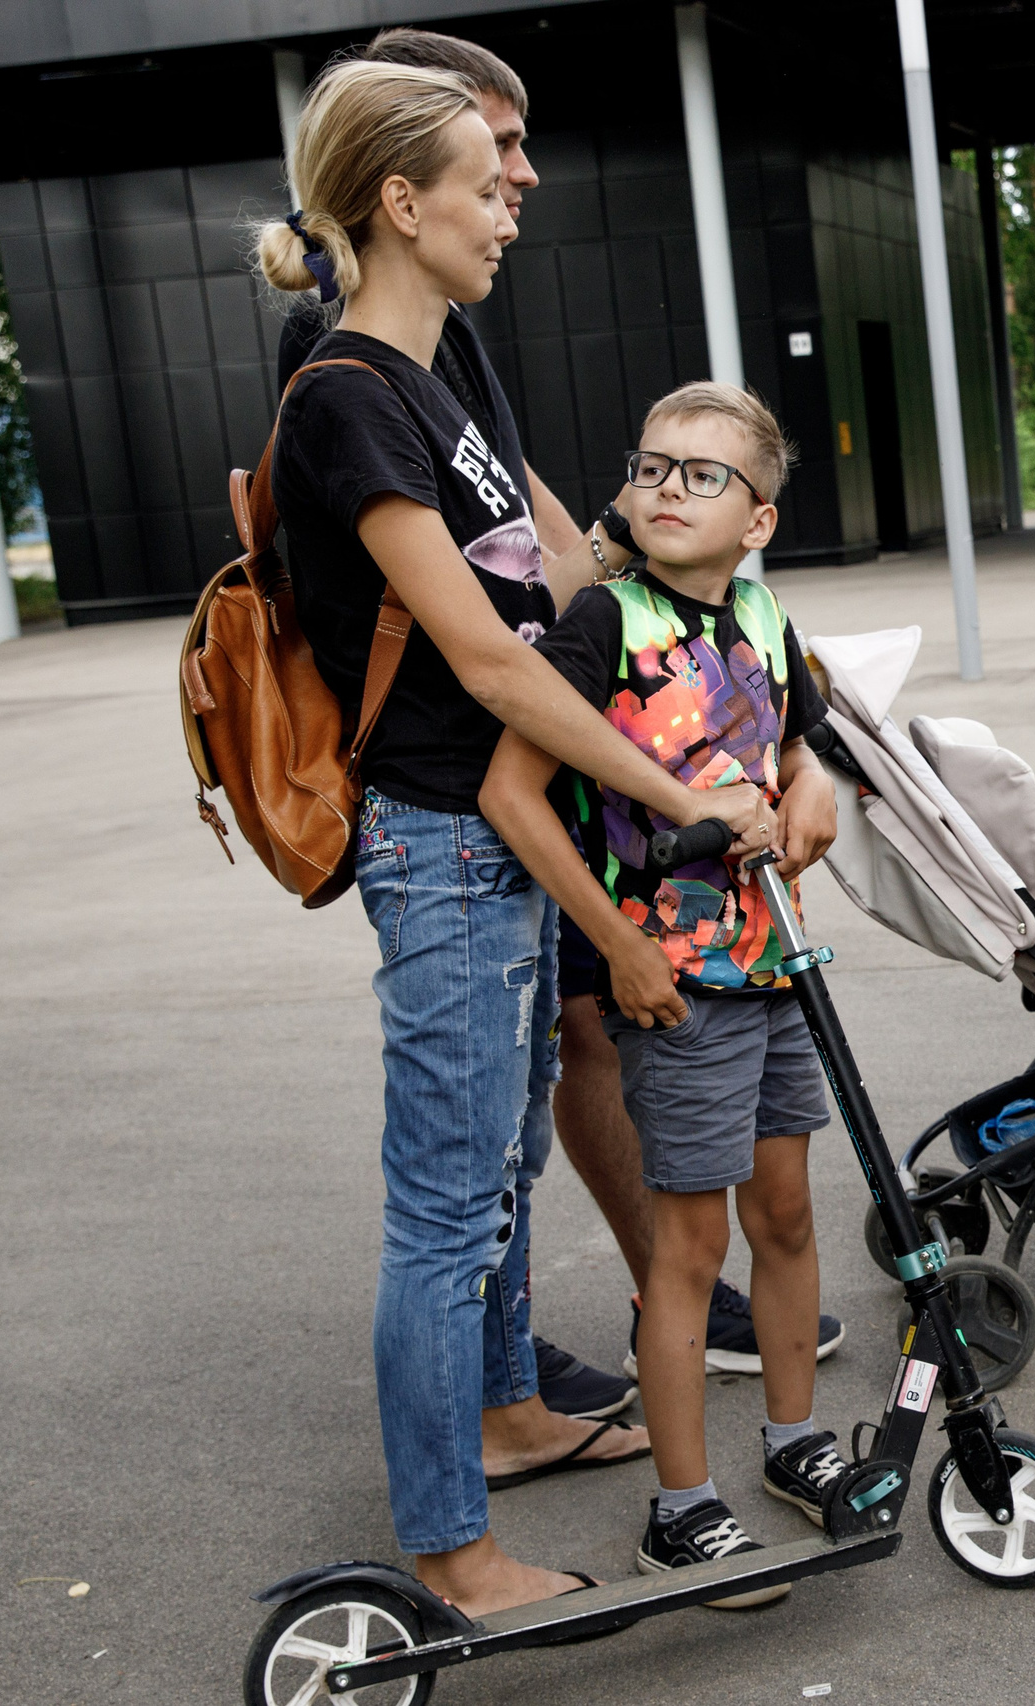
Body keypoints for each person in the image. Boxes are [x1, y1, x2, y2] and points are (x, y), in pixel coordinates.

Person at [255, 60, 777, 1615]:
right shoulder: (347, 400)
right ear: (402, 206)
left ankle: (510, 1408)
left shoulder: (434, 375)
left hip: (504, 834)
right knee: (443, 1204)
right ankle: (451, 1551)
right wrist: (681, 796)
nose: (511, 208)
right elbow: (490, 656)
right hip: (441, 843)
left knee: (492, 1173)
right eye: (486, 183)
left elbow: (558, 581)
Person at [480, 382, 848, 1595]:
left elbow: (791, 736)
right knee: (687, 1246)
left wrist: (808, 783)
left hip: (777, 960)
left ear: (760, 521)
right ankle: (681, 1509)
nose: (665, 488)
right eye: (651, 466)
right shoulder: (601, 625)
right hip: (675, 984)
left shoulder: (762, 610)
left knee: (786, 1214)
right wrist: (619, 949)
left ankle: (795, 1443)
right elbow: (512, 795)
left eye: (702, 474)